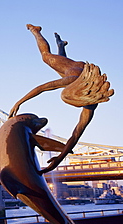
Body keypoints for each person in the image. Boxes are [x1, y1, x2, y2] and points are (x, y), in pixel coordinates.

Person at [9, 24, 114, 173]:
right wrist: (19, 102)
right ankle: (36, 31)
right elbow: (43, 88)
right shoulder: (72, 78)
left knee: (62, 65)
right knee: (46, 57)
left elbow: (75, 134)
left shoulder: (90, 104)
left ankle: (61, 45)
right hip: (78, 71)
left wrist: (59, 158)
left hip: (83, 74)